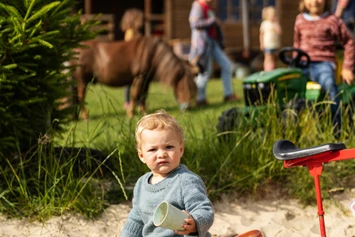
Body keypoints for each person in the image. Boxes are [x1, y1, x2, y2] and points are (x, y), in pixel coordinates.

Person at [120, 110, 214, 236]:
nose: (162, 154)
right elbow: (137, 218)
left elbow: (204, 209)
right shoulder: (141, 184)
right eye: (153, 149)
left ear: (180, 149)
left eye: (169, 147)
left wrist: (195, 222)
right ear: (141, 156)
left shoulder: (185, 181)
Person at [294, 0, 355, 135]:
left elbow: (349, 42)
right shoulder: (299, 20)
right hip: (302, 65)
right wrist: (294, 59)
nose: (314, 2)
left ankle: (337, 130)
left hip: (324, 64)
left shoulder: (332, 20)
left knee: (330, 88)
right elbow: (297, 44)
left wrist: (347, 67)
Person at [189, 0, 240, 106]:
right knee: (205, 71)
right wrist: (211, 21)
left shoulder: (209, 7)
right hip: (202, 45)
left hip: (213, 42)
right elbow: (194, 24)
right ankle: (199, 99)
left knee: (227, 65)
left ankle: (228, 94)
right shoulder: (198, 6)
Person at [120, 8, 144, 109]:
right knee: (129, 84)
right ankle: (128, 102)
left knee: (133, 84)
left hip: (132, 61)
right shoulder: (130, 32)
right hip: (131, 61)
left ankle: (134, 101)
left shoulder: (132, 31)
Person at [259, 6, 281, 71]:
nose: (273, 16)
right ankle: (267, 70)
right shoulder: (265, 24)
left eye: (274, 15)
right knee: (268, 58)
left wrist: (276, 23)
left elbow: (280, 32)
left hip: (275, 44)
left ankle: (273, 70)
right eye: (272, 14)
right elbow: (261, 35)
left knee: (275, 58)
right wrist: (261, 43)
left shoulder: (275, 24)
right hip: (268, 44)